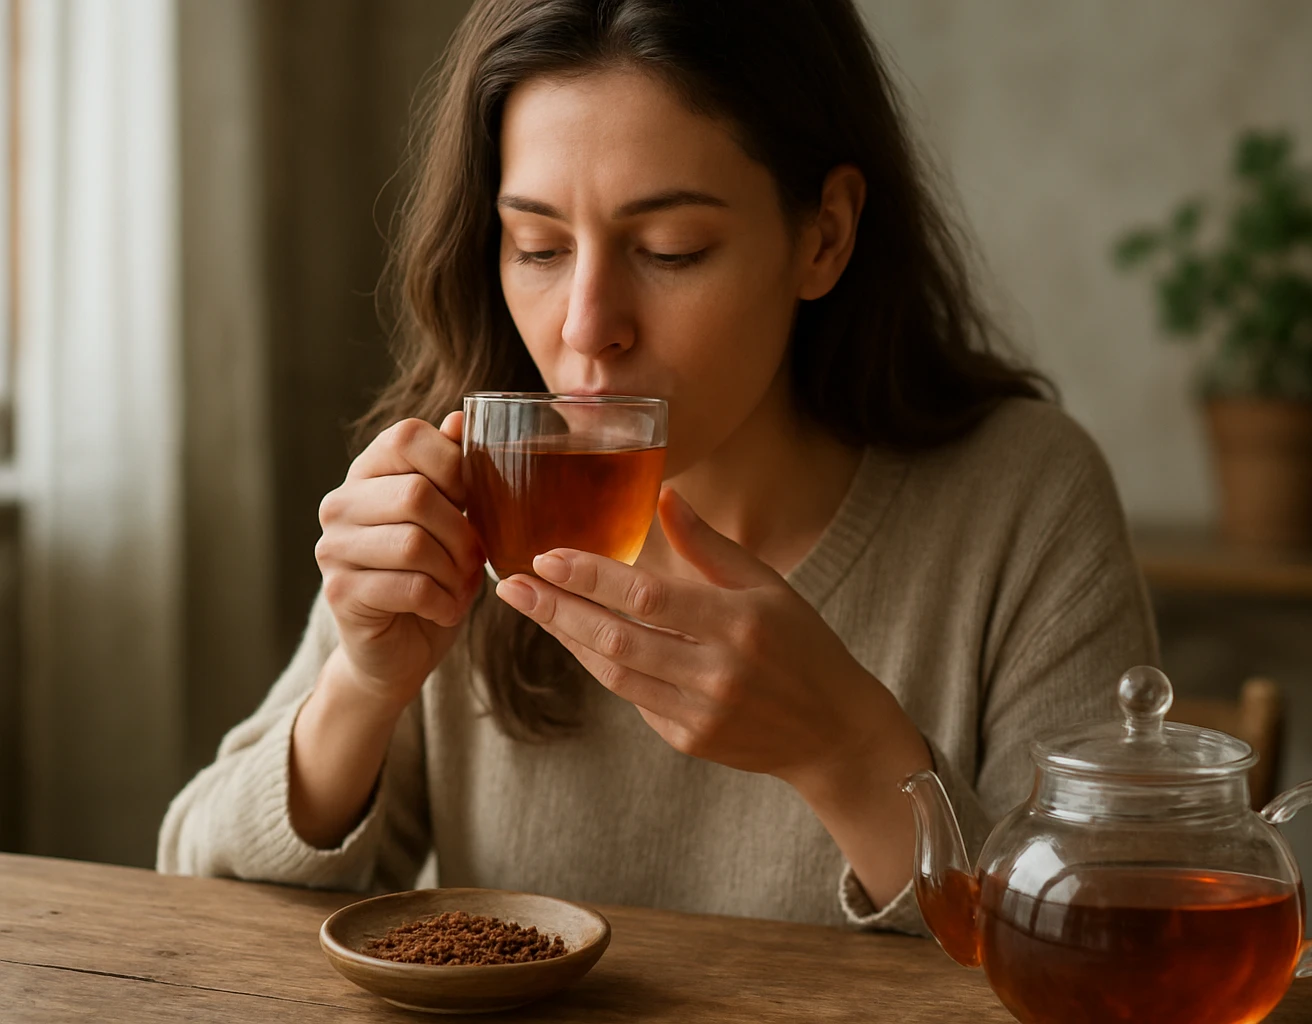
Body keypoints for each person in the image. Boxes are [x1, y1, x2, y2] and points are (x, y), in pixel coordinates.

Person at [158, 0, 1156, 936]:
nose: (587, 328)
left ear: (826, 234)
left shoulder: (1022, 497)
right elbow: (190, 894)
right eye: (538, 247)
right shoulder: (472, 487)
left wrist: (848, 755)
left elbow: (1110, 951)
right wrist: (361, 687)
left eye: (671, 250)